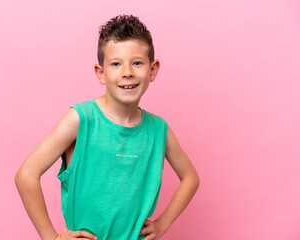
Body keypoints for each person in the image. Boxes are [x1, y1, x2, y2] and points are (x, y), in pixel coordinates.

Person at [15, 14, 200, 240]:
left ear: (152, 70)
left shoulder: (159, 130)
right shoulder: (81, 120)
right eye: (115, 64)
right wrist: (51, 238)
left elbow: (190, 177)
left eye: (137, 62)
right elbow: (26, 175)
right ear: (101, 73)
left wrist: (162, 224)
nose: (127, 72)